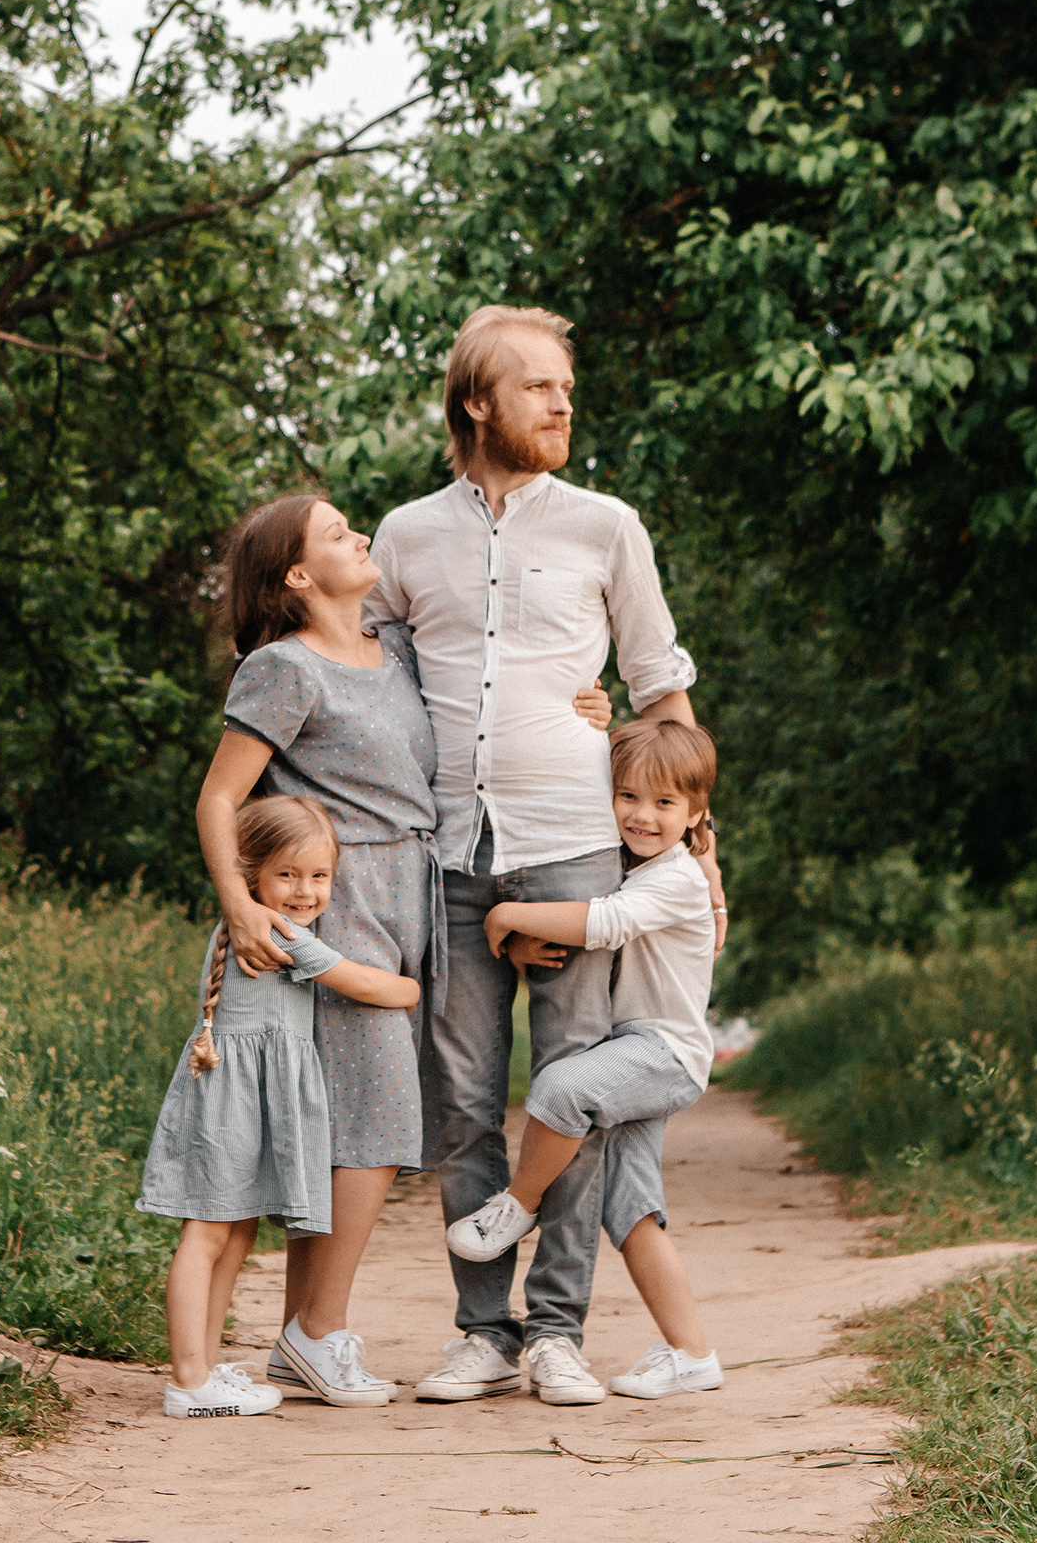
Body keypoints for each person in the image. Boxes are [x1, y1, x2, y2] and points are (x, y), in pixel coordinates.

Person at [366, 304, 727, 1408]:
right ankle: (484, 1327)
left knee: (570, 1094)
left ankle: (558, 1333)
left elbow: (662, 686)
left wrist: (703, 845)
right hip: (447, 851)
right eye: (538, 386)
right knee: (466, 1100)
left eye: (566, 385)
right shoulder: (403, 535)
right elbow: (367, 677)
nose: (563, 402)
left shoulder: (607, 525)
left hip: (576, 847)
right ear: (477, 402)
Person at [195, 493, 612, 1408]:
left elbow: (489, 701)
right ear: (298, 576)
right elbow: (220, 798)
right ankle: (319, 1332)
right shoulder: (282, 669)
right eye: (339, 533)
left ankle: (303, 1334)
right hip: (335, 901)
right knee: (374, 1127)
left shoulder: (401, 652)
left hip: (418, 894)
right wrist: (242, 907)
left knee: (356, 1123)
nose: (361, 536)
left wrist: (585, 702)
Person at [446, 718, 725, 1400]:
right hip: (632, 1054)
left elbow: (604, 923)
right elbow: (583, 922)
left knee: (561, 1088)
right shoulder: (627, 865)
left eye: (664, 803)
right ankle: (691, 1353)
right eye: (627, 795)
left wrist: (503, 917)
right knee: (629, 1207)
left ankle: (518, 1203)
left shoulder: (680, 879)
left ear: (695, 814)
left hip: (662, 1052)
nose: (642, 814)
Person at [136, 795, 421, 1420]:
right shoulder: (278, 933)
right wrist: (415, 984)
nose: (305, 890)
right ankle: (187, 1379)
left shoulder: (267, 924)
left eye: (319, 876)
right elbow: (391, 989)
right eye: (287, 874)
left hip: (242, 1091)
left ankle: (203, 1371)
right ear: (250, 872)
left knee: (233, 1235)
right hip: (231, 1095)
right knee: (208, 1233)